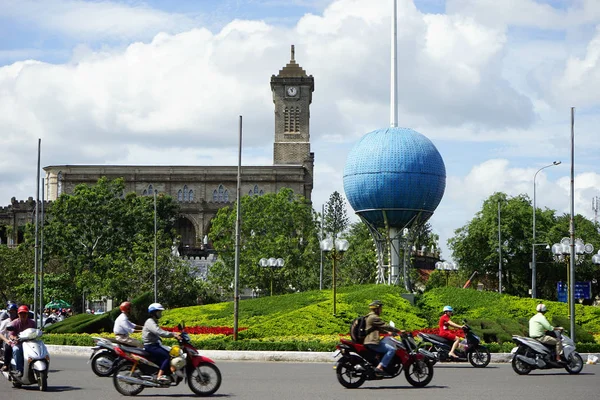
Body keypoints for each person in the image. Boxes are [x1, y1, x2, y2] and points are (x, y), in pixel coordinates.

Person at [142, 303, 181, 383]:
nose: (160, 314)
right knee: (167, 356)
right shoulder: (150, 321)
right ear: (153, 313)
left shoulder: (153, 321)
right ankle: (159, 376)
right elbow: (159, 332)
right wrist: (173, 334)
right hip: (151, 346)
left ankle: (166, 372)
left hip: (154, 344)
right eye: (159, 312)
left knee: (170, 353)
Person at [364, 300, 402, 376]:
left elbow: (378, 328)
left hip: (369, 341)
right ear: (377, 308)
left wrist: (388, 333)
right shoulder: (374, 317)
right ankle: (380, 367)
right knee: (391, 349)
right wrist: (399, 331)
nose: (381, 310)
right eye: (381, 308)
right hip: (372, 342)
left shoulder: (369, 316)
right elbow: (385, 326)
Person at [8, 305, 36, 376]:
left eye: (25, 313)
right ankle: (19, 370)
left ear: (27, 314)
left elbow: (35, 331)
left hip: (30, 343)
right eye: (21, 313)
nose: (23, 315)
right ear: (18, 314)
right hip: (18, 343)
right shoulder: (15, 323)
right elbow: (11, 335)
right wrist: (14, 338)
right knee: (16, 350)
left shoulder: (32, 323)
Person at [0, 303, 18, 371]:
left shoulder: (19, 321)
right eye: (10, 312)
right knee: (8, 347)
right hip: (9, 341)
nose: (11, 313)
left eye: (13, 311)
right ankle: (6, 364)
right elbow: (0, 333)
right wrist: (6, 340)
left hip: (19, 340)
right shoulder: (6, 322)